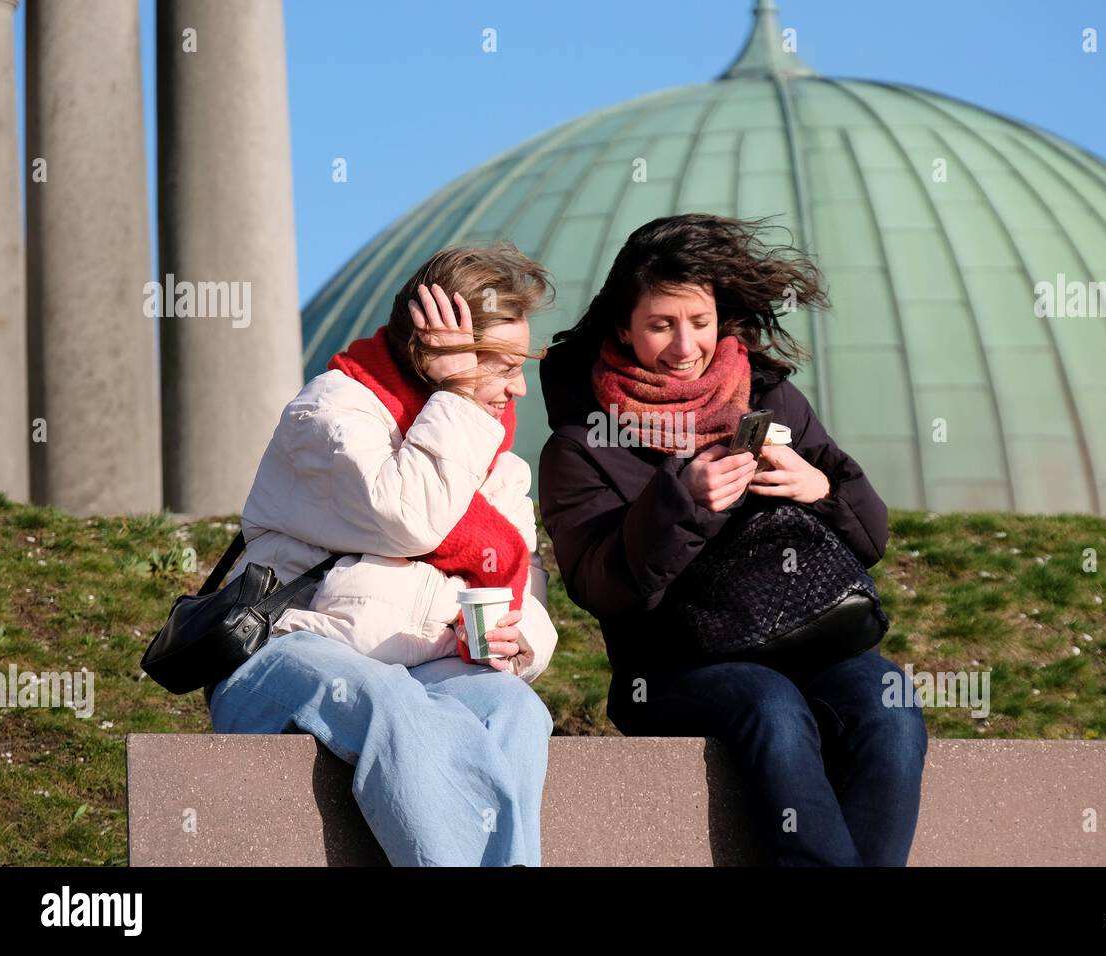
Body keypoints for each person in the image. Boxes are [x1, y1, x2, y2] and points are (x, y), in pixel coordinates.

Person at [537, 213, 927, 866]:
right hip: (669, 666)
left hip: (811, 638)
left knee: (890, 708)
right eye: (661, 324)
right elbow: (599, 587)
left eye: (699, 321)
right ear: (624, 327)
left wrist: (817, 489)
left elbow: (874, 535)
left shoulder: (769, 396)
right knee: (770, 705)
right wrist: (681, 504)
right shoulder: (579, 445)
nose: (684, 345)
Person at [208, 243, 559, 866]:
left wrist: (521, 637)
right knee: (390, 705)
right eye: (501, 364)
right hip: (284, 653)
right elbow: (408, 518)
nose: (518, 387)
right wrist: (456, 395)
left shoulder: (493, 456)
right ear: (438, 351)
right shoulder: (331, 411)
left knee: (514, 710)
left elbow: (524, 579)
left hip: (422, 668)